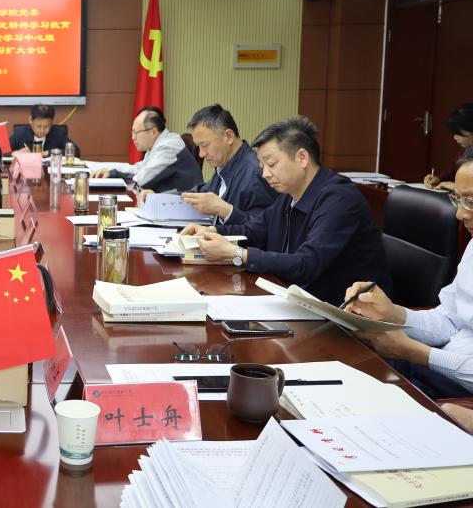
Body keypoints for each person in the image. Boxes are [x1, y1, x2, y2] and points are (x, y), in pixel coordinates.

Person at [183, 116, 391, 304]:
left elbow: (306, 264)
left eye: (271, 164)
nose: (265, 174)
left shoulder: (339, 199)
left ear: (302, 158)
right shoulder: (289, 195)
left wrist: (237, 253)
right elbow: (255, 230)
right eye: (262, 166)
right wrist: (211, 231)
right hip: (297, 299)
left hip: (344, 313)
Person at [345, 156, 473, 399]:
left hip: (458, 394)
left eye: (471, 201)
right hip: (436, 368)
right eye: (458, 199)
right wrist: (392, 314)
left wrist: (415, 352)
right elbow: (450, 320)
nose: (459, 214)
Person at [177, 104, 276, 224]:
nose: (201, 154)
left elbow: (263, 228)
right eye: (198, 147)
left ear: (228, 136)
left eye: (205, 145)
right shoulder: (225, 164)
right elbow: (203, 191)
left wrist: (226, 210)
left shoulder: (256, 173)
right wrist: (163, 198)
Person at [92, 106, 201, 192]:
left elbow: (142, 179)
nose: (133, 137)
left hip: (182, 207)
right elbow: (138, 169)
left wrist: (114, 174)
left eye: (136, 132)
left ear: (153, 132)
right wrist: (109, 170)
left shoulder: (169, 147)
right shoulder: (157, 144)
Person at [424, 104, 473, 192]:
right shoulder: (465, 153)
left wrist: (455, 186)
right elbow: (452, 173)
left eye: (458, 133)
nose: (455, 138)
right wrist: (438, 179)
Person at [10, 104, 79, 155]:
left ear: (51, 122)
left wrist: (48, 152)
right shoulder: (20, 133)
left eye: (46, 126)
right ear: (30, 120)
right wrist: (15, 153)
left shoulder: (58, 133)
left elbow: (76, 152)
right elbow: (4, 152)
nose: (42, 130)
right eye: (39, 126)